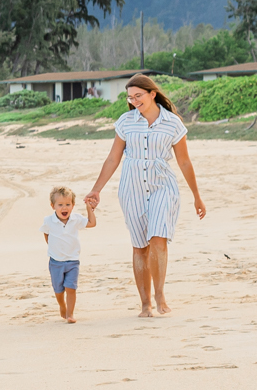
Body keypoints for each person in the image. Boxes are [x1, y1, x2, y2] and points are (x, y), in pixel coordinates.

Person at [84, 72, 206, 317]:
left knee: (158, 239)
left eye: (138, 96)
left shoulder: (173, 123)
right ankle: (145, 304)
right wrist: (96, 189)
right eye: (130, 97)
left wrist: (196, 195)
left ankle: (160, 295)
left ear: (152, 94)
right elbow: (113, 158)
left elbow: (184, 162)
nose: (134, 101)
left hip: (163, 185)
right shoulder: (126, 122)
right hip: (132, 188)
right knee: (140, 246)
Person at [41, 185, 96, 322]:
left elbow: (92, 223)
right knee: (59, 290)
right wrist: (53, 247)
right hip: (55, 262)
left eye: (68, 204)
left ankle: (70, 314)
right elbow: (46, 234)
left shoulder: (76, 219)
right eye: (60, 205)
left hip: (73, 261)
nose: (64, 208)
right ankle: (62, 305)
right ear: (53, 206)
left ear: (73, 205)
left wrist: (89, 209)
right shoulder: (49, 221)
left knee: (71, 287)